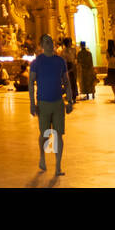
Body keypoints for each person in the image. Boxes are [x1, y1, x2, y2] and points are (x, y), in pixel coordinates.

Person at [29, 35, 74, 176]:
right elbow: (31, 83)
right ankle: (42, 157)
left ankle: (58, 166)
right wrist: (32, 103)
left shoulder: (60, 61)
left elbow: (66, 81)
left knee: (58, 134)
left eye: (51, 42)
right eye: (46, 42)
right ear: (42, 45)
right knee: (45, 134)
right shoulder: (36, 62)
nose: (50, 44)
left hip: (58, 103)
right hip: (43, 103)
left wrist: (70, 100)